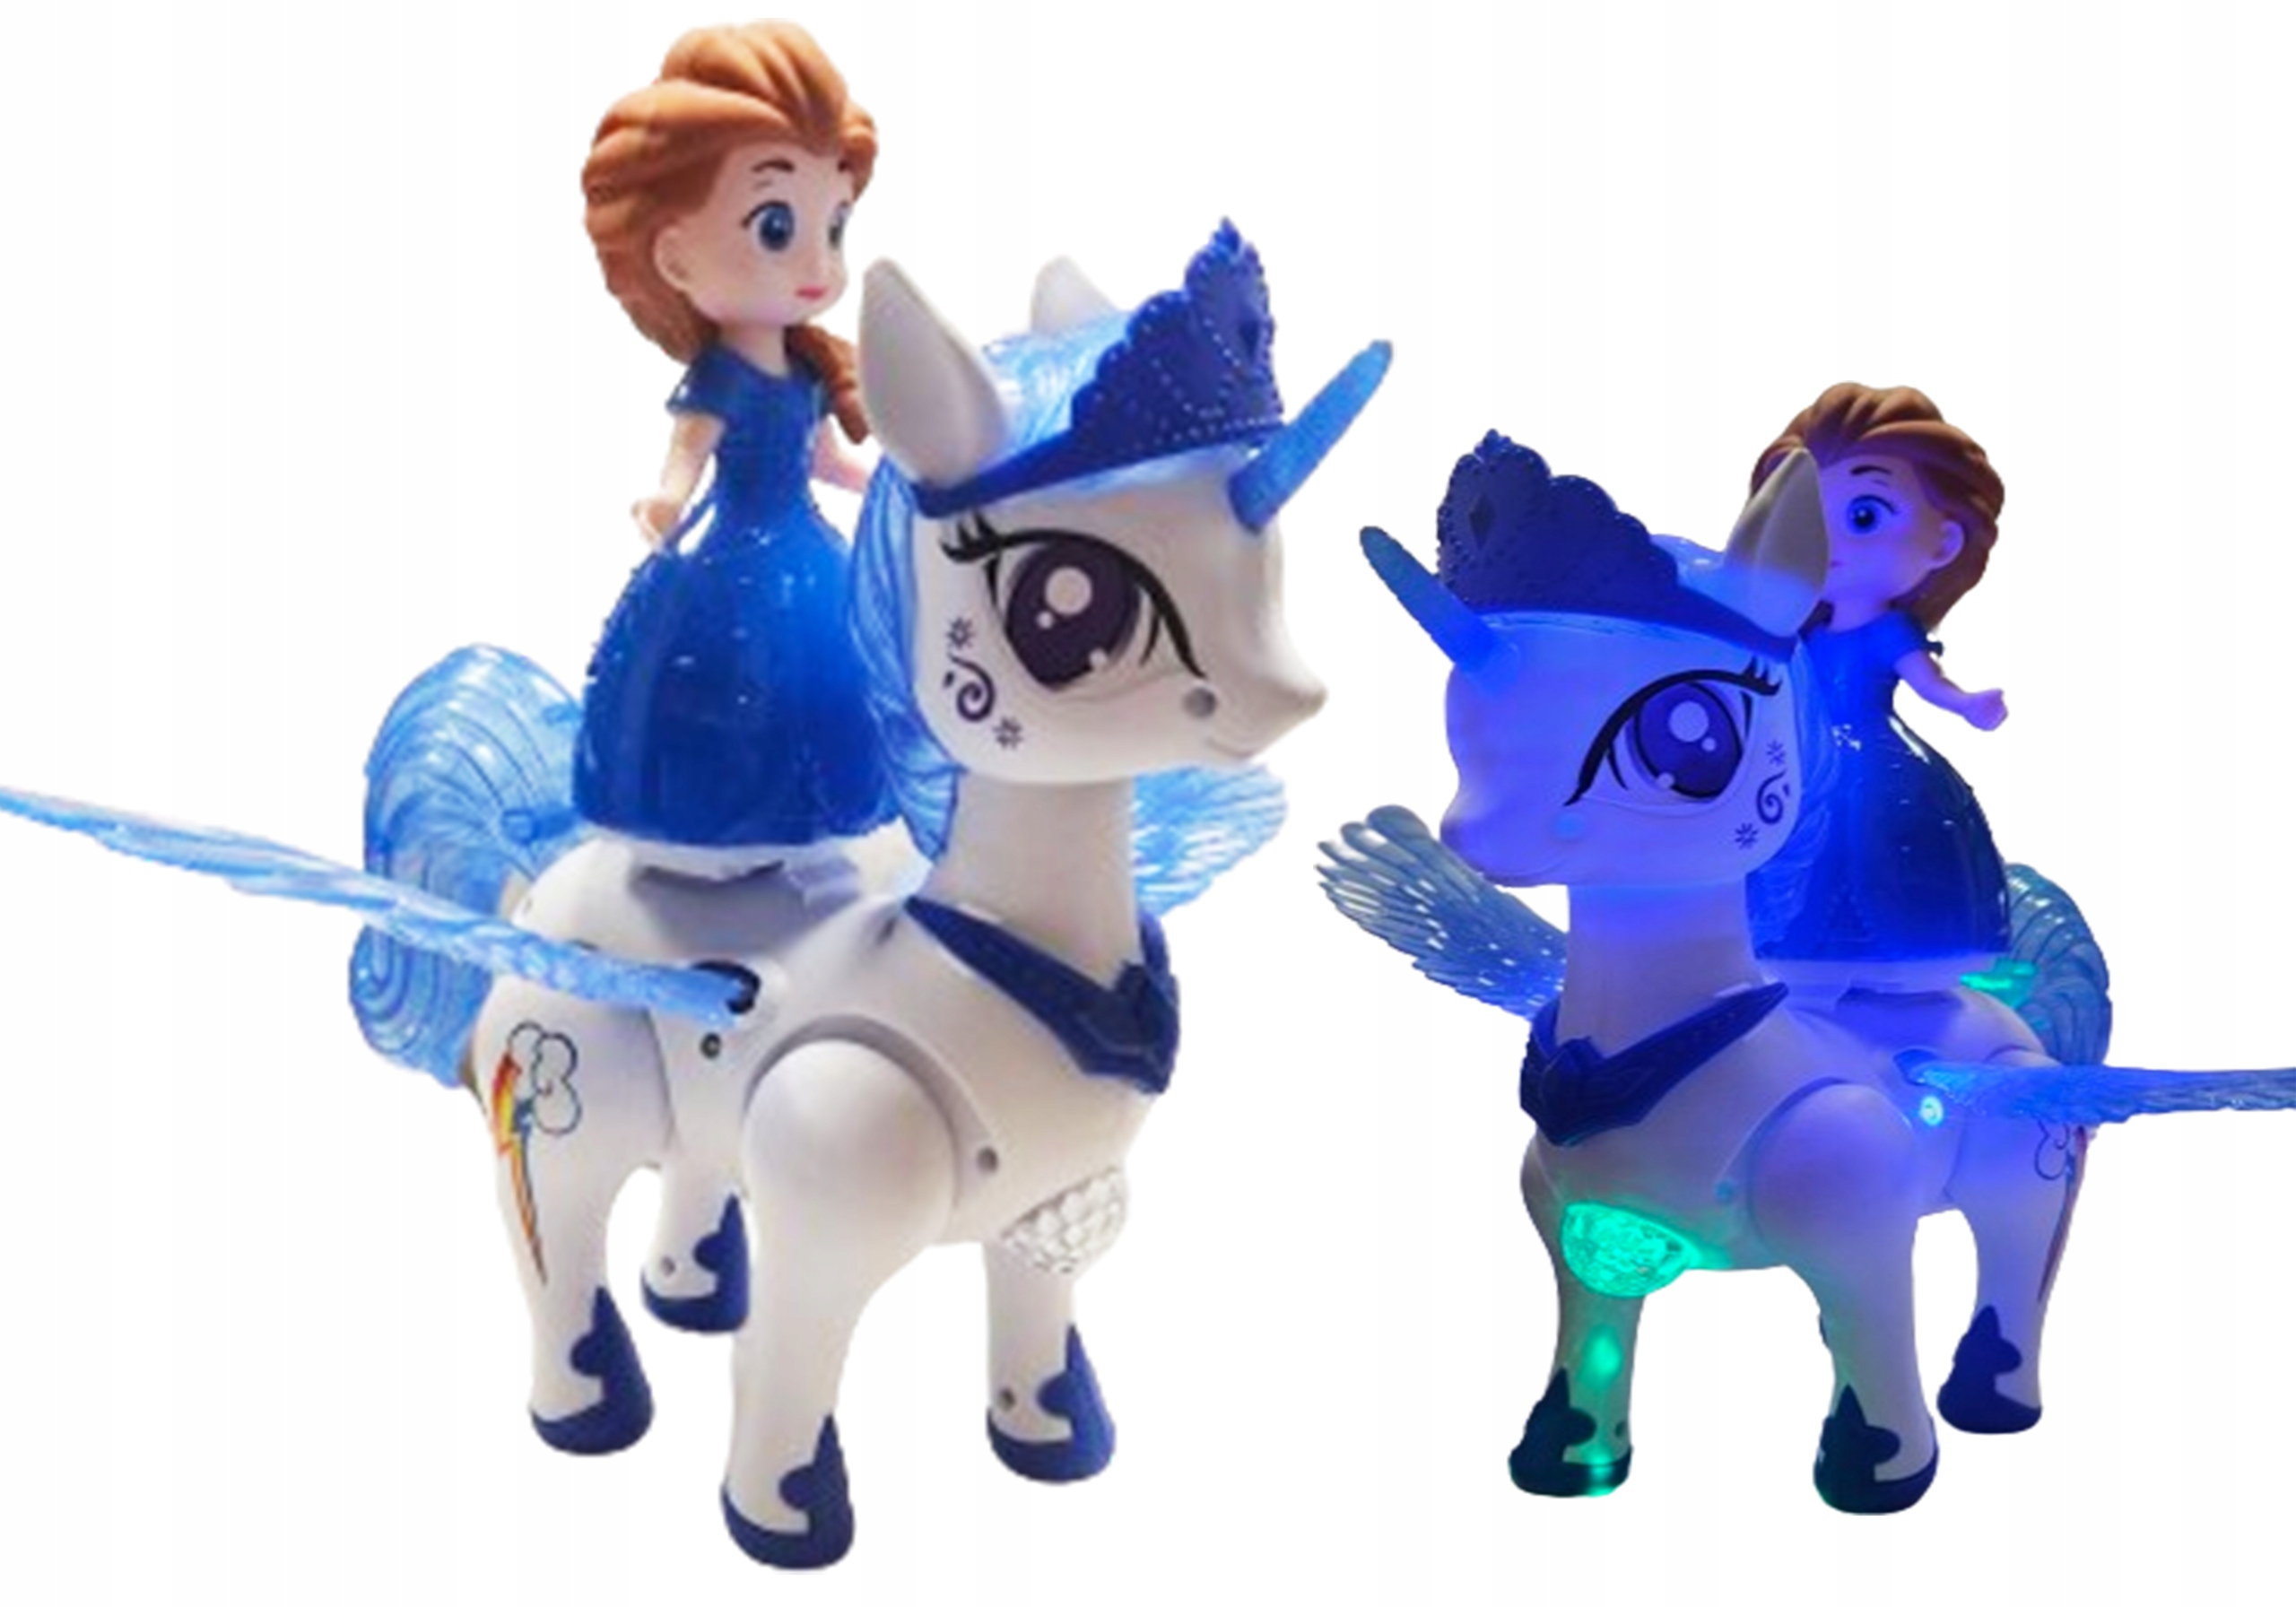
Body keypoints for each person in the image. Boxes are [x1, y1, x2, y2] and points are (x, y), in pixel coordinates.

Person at [572, 21, 892, 859]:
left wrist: (884, 483)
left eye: (835, 226)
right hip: (725, 557)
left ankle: (831, 826)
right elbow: (685, 455)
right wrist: (666, 502)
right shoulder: (724, 377)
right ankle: (709, 830)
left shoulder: (808, 368)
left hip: (805, 550)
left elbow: (825, 460)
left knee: (834, 677)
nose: (818, 264)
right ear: (675, 259)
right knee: (718, 688)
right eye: (777, 226)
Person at [1746, 383, 2011, 984]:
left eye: (1863, 516)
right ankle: (1782, 957)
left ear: (1944, 542)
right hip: (1797, 764)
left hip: (1880, 765)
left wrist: (1967, 704)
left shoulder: (1889, 631)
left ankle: (1902, 964)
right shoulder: (1802, 634)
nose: (1830, 544)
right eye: (1805, 522)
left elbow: (1929, 682)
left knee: (1878, 845)